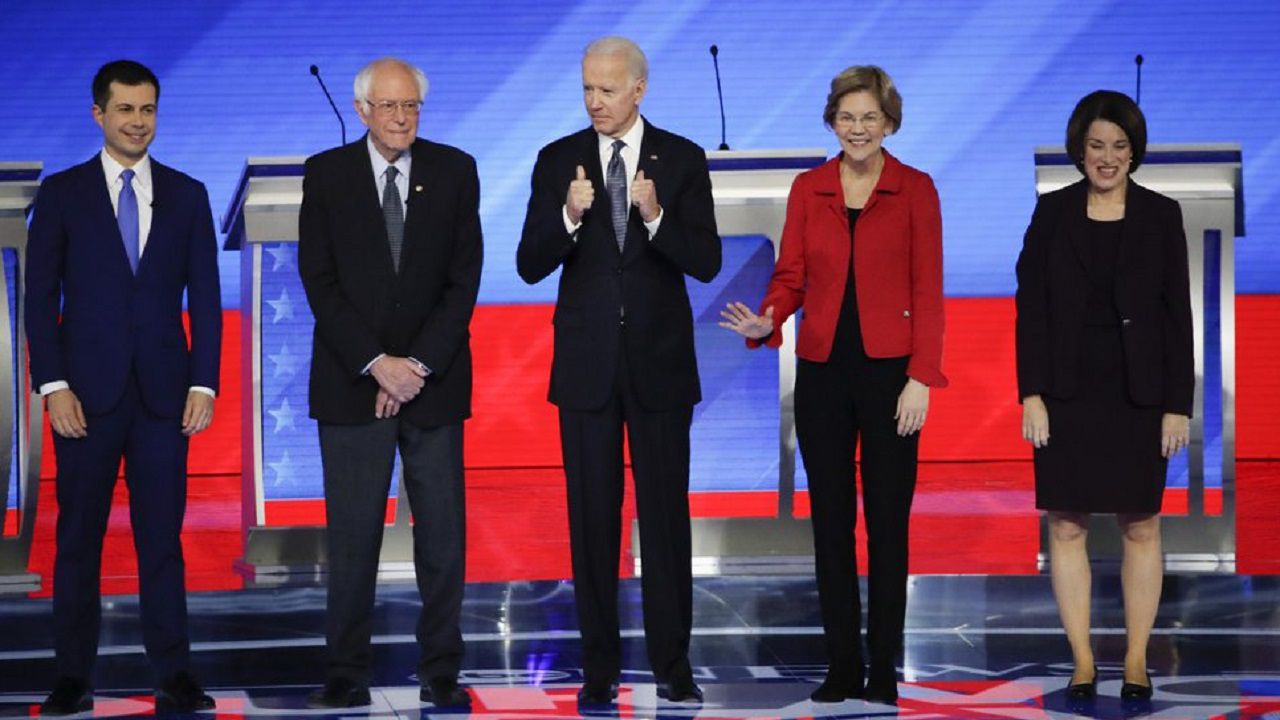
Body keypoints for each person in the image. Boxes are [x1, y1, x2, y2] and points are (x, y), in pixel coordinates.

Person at [719, 65, 944, 706]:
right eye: (847, 117)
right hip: (822, 373)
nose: (858, 128)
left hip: (891, 376)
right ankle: (843, 664)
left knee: (888, 525)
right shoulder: (809, 188)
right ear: (832, 122)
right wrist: (770, 317)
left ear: (890, 123)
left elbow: (928, 291)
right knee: (831, 525)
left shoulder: (916, 190)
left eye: (870, 117)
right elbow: (791, 275)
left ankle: (884, 668)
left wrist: (922, 377)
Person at [516, 36, 720, 705]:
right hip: (586, 371)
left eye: (607, 89)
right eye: (587, 89)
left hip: (659, 370)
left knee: (665, 521)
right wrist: (570, 216)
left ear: (639, 89)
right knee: (592, 522)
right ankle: (599, 668)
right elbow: (529, 263)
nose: (595, 101)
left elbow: (707, 261)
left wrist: (657, 217)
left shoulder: (683, 160)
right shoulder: (557, 161)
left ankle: (673, 665)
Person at [25, 59, 222, 715]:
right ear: (99, 115)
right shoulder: (61, 194)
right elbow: (38, 298)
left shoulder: (188, 194)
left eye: (148, 110)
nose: (138, 122)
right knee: (77, 540)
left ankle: (174, 674)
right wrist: (52, 384)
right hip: (84, 395)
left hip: (165, 398)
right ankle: (72, 678)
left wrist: (205, 384)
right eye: (126, 110)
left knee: (161, 541)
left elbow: (208, 297)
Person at [297, 57, 482, 710]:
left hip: (433, 385)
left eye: (412, 107)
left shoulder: (455, 171)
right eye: (390, 107)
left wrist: (416, 368)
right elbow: (319, 281)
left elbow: (464, 282)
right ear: (362, 110)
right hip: (354, 385)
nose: (403, 118)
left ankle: (442, 671)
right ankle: (346, 671)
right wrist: (378, 363)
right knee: (352, 538)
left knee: (441, 539)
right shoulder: (327, 176)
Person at [1015, 90, 1192, 703]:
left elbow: (1178, 317)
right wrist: (1031, 393)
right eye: (1096, 146)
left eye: (1119, 145)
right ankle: (1084, 660)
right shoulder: (1053, 212)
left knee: (1141, 524)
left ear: (1134, 151)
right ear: (1080, 150)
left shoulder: (1162, 215)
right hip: (1066, 391)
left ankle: (1138, 658)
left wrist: (1178, 403)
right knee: (1066, 525)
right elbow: (1030, 307)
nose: (1107, 157)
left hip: (1137, 392)